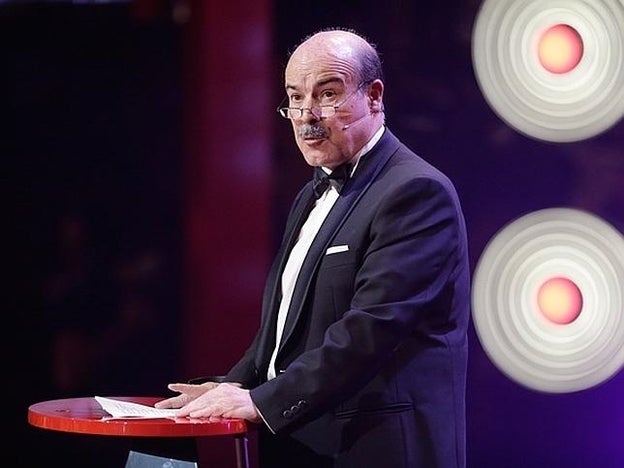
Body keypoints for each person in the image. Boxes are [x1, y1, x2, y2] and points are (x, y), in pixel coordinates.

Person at [156, 27, 470, 468]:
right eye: (295, 98)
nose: (306, 115)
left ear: (374, 96)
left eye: (327, 95)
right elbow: (285, 329)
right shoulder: (311, 194)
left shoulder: (415, 192)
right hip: (302, 445)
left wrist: (264, 401)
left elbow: (370, 329)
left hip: (378, 450)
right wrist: (235, 386)